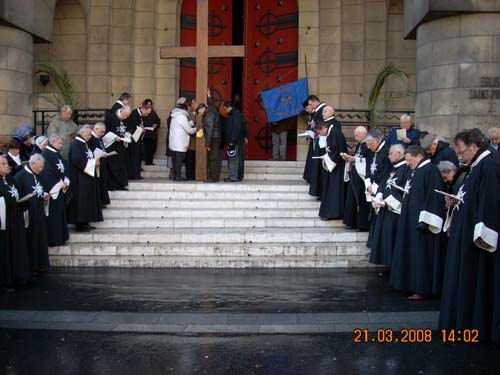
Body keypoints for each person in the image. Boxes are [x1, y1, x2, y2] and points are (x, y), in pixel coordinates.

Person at [439, 129, 500, 343]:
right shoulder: (475, 167)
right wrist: (456, 201)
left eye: (462, 151)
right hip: (464, 235)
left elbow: (490, 204)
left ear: (474, 147)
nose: (460, 156)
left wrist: (483, 239)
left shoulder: (489, 166)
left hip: (476, 243)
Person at [390, 145, 447, 300]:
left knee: (421, 257)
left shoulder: (430, 171)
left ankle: (422, 288)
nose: (408, 163)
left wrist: (426, 221)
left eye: (410, 160)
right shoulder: (416, 171)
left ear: (419, 156)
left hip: (422, 224)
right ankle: (408, 284)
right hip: (409, 221)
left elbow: (434, 197)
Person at [368, 144, 411, 268]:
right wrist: (379, 195)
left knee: (393, 241)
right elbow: (384, 184)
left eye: (391, 153)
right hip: (385, 210)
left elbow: (403, 191)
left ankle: (394, 267)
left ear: (400, 153)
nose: (389, 156)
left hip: (395, 212)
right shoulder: (394, 169)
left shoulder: (406, 169)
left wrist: (387, 202)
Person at [14, 153, 50, 275]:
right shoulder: (20, 177)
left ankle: (40, 264)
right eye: (38, 167)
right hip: (28, 213)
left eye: (42, 167)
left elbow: (40, 188)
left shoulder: (37, 175)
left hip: (39, 211)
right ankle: (32, 265)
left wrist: (44, 195)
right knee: (31, 238)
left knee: (40, 237)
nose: (40, 170)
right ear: (32, 163)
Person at [0, 156, 31, 291]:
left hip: (15, 219)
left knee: (16, 247)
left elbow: (17, 194)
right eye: (3, 164)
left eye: (7, 163)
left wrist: (25, 200)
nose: (8, 166)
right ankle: (5, 281)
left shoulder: (11, 179)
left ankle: (17, 275)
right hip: (4, 222)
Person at [67, 125, 103, 232]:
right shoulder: (76, 144)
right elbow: (77, 160)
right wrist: (93, 163)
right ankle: (80, 223)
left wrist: (95, 161)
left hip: (87, 176)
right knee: (81, 201)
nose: (90, 137)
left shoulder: (84, 144)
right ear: (82, 133)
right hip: (79, 178)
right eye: (88, 135)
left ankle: (85, 222)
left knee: (86, 200)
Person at [315, 107, 348, 220]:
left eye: (321, 132)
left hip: (337, 167)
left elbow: (336, 152)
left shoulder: (334, 132)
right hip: (334, 166)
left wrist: (328, 160)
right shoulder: (330, 133)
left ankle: (334, 213)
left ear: (324, 128)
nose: (321, 135)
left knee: (335, 190)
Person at [40, 134, 70, 246]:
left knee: (60, 213)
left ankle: (60, 237)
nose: (61, 146)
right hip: (53, 190)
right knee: (53, 215)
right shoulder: (46, 154)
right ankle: (54, 239)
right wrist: (59, 184)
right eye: (60, 143)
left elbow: (64, 169)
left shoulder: (56, 154)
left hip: (60, 188)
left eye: (62, 143)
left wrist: (66, 181)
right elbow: (46, 173)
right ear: (52, 142)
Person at [364, 131, 392, 248]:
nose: (368, 147)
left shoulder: (386, 152)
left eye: (370, 143)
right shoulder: (371, 151)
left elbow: (386, 172)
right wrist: (368, 183)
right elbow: (368, 168)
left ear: (377, 140)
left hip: (381, 189)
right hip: (372, 187)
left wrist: (375, 187)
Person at [342, 126, 370, 231]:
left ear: (364, 134)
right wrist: (350, 158)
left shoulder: (367, 144)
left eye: (357, 135)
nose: (355, 137)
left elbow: (367, 160)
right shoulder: (359, 144)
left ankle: (360, 224)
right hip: (355, 174)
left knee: (360, 199)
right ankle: (351, 222)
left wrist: (354, 159)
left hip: (362, 177)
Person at [169, 98, 197, 181]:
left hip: (174, 142)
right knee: (179, 161)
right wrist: (197, 128)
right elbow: (189, 130)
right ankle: (178, 176)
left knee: (174, 161)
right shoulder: (182, 116)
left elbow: (182, 125)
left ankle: (175, 176)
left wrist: (192, 123)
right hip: (180, 143)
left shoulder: (175, 116)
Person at [104, 105, 132, 190]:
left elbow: (129, 129)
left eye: (127, 116)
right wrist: (114, 137)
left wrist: (127, 135)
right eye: (125, 115)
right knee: (113, 165)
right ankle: (112, 185)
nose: (126, 117)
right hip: (112, 145)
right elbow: (105, 130)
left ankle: (121, 184)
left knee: (121, 165)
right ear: (121, 111)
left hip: (122, 146)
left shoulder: (127, 118)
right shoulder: (111, 117)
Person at [222, 101, 248, 182]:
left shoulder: (235, 115)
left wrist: (231, 141)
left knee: (233, 159)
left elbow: (236, 128)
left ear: (230, 107)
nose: (225, 111)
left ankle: (233, 177)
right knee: (239, 159)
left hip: (234, 141)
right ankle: (239, 176)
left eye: (225, 109)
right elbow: (244, 126)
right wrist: (246, 136)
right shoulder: (238, 115)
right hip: (238, 141)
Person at [125, 102, 152, 180]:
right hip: (133, 140)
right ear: (143, 109)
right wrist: (141, 130)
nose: (147, 115)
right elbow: (131, 127)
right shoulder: (134, 114)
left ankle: (136, 174)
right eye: (147, 113)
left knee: (138, 156)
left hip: (137, 140)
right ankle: (133, 175)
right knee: (134, 157)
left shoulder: (140, 116)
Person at [197, 102, 222, 183]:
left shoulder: (208, 114)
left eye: (199, 112)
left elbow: (209, 129)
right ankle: (214, 177)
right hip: (216, 137)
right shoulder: (211, 110)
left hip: (213, 138)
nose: (200, 114)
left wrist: (208, 144)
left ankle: (213, 177)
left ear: (202, 109)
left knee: (213, 158)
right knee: (215, 158)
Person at [88, 123, 111, 208]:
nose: (102, 134)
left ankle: (102, 201)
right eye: (101, 132)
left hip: (102, 162)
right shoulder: (92, 138)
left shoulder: (98, 138)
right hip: (97, 163)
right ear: (96, 129)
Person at [142, 99, 161, 166]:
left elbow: (158, 120)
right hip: (146, 134)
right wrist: (149, 125)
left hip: (153, 134)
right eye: (148, 104)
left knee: (153, 148)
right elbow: (143, 122)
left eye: (150, 104)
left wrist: (156, 124)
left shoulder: (154, 112)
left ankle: (150, 161)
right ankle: (147, 161)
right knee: (147, 149)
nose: (149, 106)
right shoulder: (143, 113)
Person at [302, 100, 315, 183]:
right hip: (312, 139)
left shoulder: (316, 114)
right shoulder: (311, 115)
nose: (307, 110)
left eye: (307, 108)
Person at [185, 98, 198, 181]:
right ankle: (189, 175)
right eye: (194, 104)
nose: (194, 106)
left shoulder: (200, 113)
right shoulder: (188, 114)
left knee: (195, 161)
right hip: (190, 142)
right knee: (189, 160)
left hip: (198, 142)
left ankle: (195, 175)